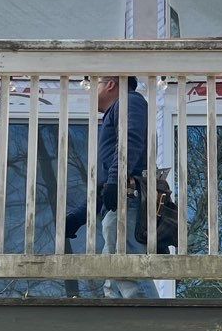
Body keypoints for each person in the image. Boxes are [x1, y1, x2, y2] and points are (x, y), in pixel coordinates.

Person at [65, 75, 157, 299]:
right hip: (118, 204)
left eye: (93, 84)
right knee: (114, 281)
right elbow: (106, 187)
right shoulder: (117, 110)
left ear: (110, 84)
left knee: (128, 273)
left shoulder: (130, 101)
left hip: (128, 201)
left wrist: (116, 181)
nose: (90, 90)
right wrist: (78, 217)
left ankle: (156, 329)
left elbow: (130, 140)